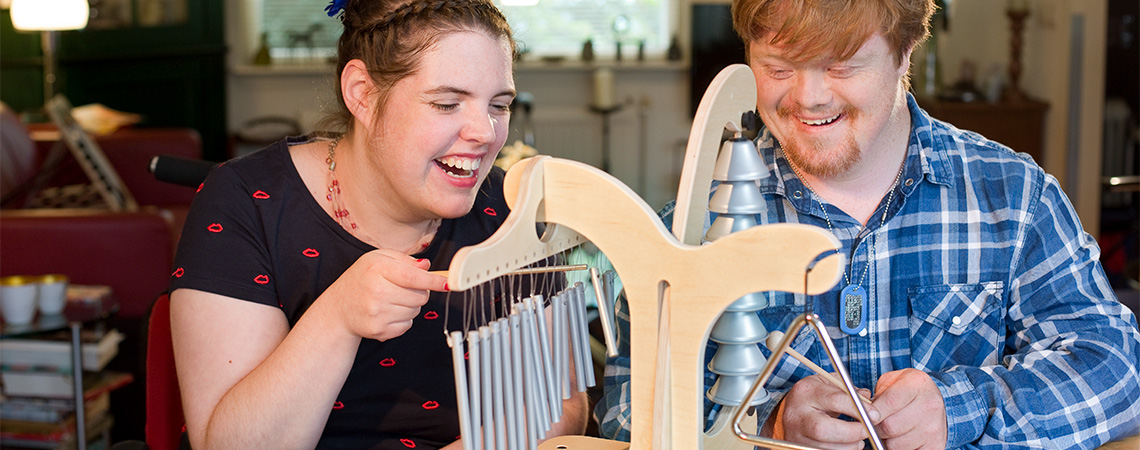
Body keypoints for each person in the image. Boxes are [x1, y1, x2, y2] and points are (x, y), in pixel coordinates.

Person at [595, 0, 1140, 448]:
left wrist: (961, 410)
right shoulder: (690, 228)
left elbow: (1116, 368)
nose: (809, 98)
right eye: (778, 67)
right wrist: (766, 426)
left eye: (841, 65)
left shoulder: (1015, 197)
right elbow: (623, 414)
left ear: (905, 53)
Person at [168, 0, 588, 448]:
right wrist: (337, 316)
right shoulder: (246, 202)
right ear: (362, 95)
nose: (485, 132)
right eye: (447, 104)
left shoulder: (509, 213)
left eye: (499, 105)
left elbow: (563, 406)